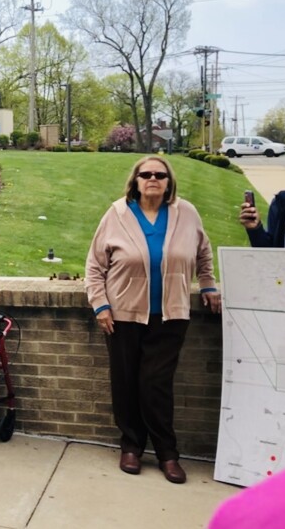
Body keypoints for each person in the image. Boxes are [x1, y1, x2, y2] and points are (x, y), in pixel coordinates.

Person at [84, 155, 221, 484]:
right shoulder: (117, 214)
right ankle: (131, 446)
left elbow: (203, 252)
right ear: (135, 180)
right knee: (126, 382)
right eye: (146, 174)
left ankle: (167, 453)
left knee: (156, 386)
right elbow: (94, 266)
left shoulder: (185, 213)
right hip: (123, 316)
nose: (153, 179)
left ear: (169, 181)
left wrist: (209, 284)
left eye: (160, 175)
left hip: (171, 315)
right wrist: (101, 305)